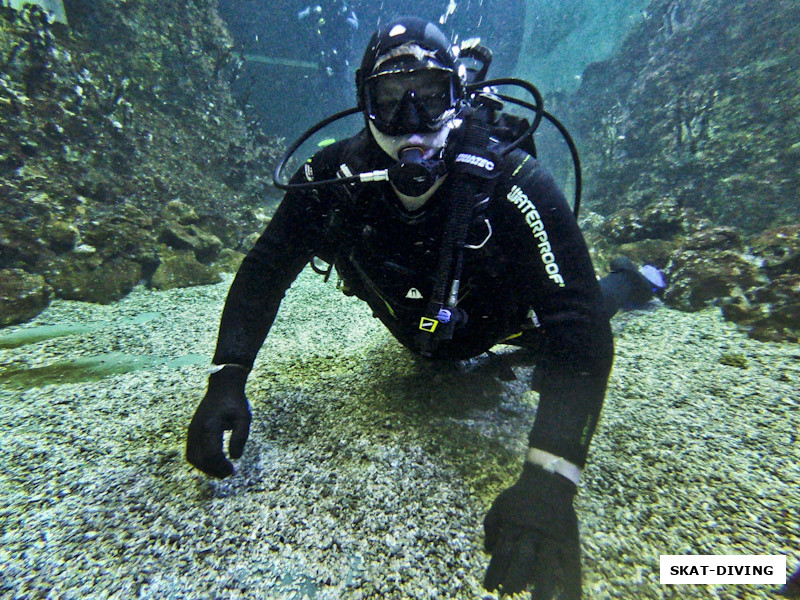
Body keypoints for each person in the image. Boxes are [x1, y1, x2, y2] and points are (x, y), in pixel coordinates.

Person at [186, 16, 661, 599]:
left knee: (576, 311)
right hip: (412, 324)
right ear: (365, 102)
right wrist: (226, 377)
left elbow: (576, 322)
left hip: (501, 319)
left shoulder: (512, 180)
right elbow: (265, 269)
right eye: (390, 99)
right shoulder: (333, 176)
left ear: (458, 96)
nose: (412, 121)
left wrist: (551, 477)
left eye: (430, 96)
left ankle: (634, 284)